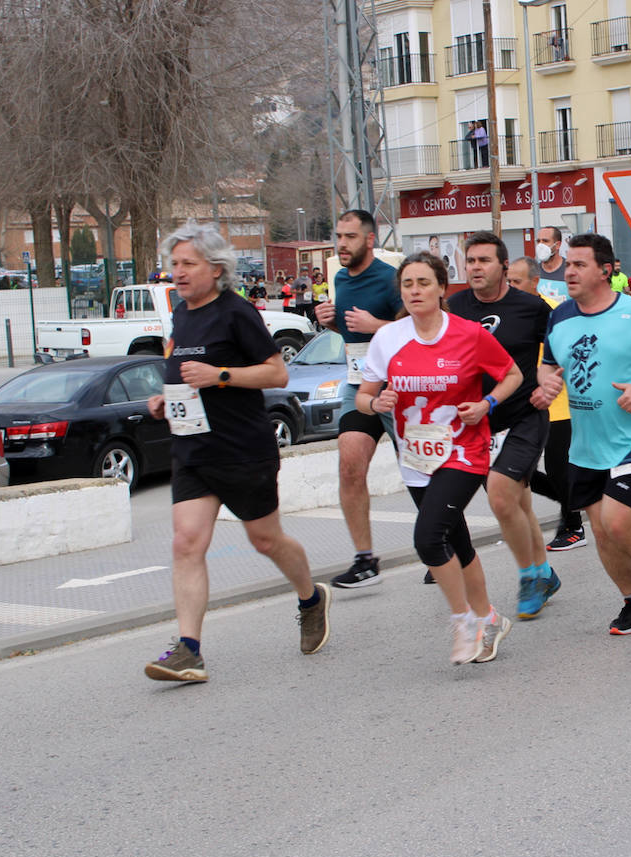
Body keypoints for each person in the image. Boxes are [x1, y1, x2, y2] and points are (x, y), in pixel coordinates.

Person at [143, 222, 328, 683]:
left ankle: (311, 597)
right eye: (175, 264)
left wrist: (220, 375)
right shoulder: (181, 316)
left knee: (265, 540)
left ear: (216, 268)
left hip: (243, 449)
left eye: (189, 264)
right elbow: (183, 374)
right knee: (187, 542)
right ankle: (188, 650)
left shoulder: (236, 312)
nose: (179, 273)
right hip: (192, 449)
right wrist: (166, 397)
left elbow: (276, 374)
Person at [358, 252, 522, 664]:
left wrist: (486, 403)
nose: (415, 291)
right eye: (408, 284)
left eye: (423, 283)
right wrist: (377, 402)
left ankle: (464, 619)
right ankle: (490, 618)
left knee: (428, 537)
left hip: (463, 451)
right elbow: (363, 397)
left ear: (442, 289)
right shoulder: (388, 338)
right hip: (415, 456)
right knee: (456, 542)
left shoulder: (469, 334)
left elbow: (513, 374)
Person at [532, 233, 631, 635]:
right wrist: (548, 383)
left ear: (605, 270)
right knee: (601, 531)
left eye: (579, 264)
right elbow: (548, 365)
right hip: (587, 444)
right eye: (568, 263)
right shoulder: (561, 316)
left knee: (618, 522)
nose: (569, 271)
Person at [448, 232, 561, 619]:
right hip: (478, 422)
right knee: (517, 502)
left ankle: (529, 577)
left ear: (502, 265)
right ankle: (545, 572)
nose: (475, 267)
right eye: (470, 261)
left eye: (484, 260)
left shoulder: (532, 307)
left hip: (525, 414)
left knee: (499, 496)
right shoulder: (455, 306)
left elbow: (563, 346)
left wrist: (550, 382)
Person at [315, 210, 404, 590]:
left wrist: (378, 326)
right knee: (349, 462)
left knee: (420, 470)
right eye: (338, 235)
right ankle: (364, 559)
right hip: (358, 385)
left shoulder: (390, 280)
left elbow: (420, 327)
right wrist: (330, 321)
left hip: (398, 387)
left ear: (370, 240)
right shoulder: (339, 277)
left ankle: (444, 541)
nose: (342, 244)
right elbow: (350, 330)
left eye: (350, 236)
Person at [507, 256, 586, 552]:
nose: (511, 287)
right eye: (508, 281)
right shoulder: (510, 316)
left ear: (535, 281)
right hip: (523, 406)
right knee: (520, 472)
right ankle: (585, 500)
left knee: (557, 469)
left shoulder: (552, 313)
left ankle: (573, 524)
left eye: (516, 282)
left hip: (559, 404)